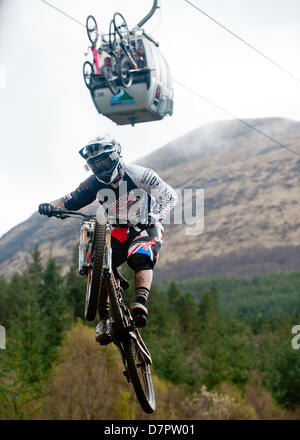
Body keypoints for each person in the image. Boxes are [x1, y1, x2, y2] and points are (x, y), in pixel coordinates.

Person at [39, 134, 178, 345]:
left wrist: (155, 215)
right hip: (116, 230)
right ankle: (104, 319)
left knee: (141, 255)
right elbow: (70, 201)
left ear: (116, 156)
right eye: (94, 163)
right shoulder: (92, 183)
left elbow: (169, 196)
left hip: (144, 226)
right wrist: (51, 207)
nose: (100, 166)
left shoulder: (139, 174)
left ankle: (140, 303)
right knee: (99, 261)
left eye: (104, 160)